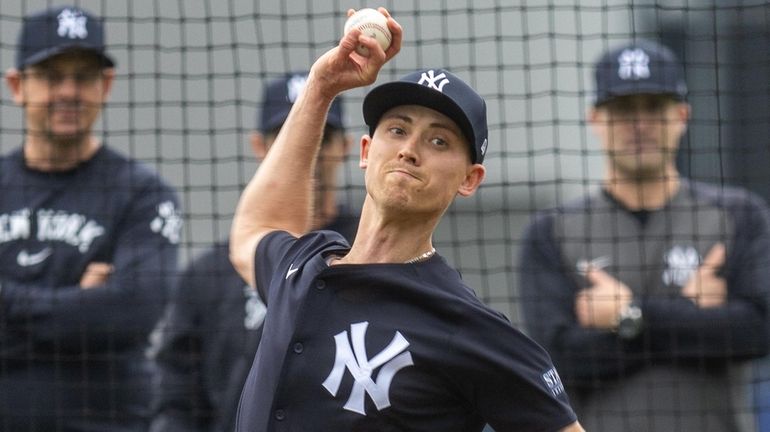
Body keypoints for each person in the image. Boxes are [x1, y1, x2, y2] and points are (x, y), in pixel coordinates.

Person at [228, 7, 583, 432]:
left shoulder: (465, 325)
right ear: (365, 151)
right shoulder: (300, 266)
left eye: (438, 140)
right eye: (397, 130)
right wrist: (320, 89)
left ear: (470, 179)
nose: (409, 149)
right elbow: (255, 228)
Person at [519, 39, 770, 432]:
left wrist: (628, 316)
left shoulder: (739, 215)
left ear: (683, 116)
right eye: (622, 111)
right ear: (596, 120)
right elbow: (559, 361)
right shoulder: (549, 232)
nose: (639, 125)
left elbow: (757, 331)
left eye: (654, 108)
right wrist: (694, 320)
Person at [0, 6, 181, 430]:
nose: (68, 91)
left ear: (106, 85)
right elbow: (98, 314)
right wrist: (77, 300)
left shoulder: (143, 194)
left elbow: (133, 310)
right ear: (17, 85)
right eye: (50, 75)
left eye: (83, 77)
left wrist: (9, 304)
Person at [149, 71, 358, 432]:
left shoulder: (370, 251)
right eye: (289, 136)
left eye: (323, 135)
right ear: (260, 146)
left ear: (347, 147)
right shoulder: (212, 272)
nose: (309, 149)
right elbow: (177, 394)